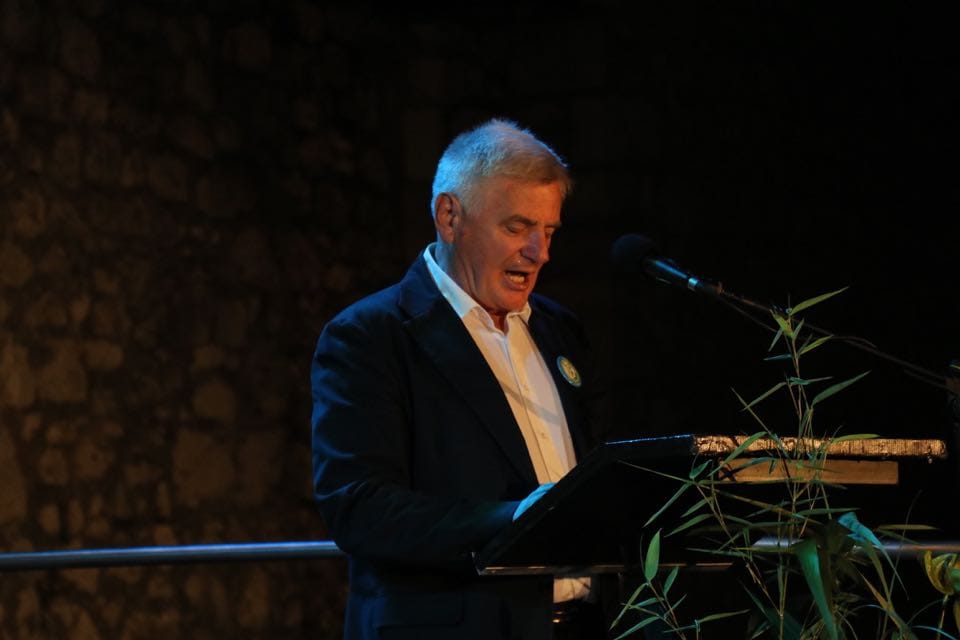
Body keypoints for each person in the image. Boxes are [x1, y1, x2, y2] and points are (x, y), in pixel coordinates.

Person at [311, 119, 609, 639]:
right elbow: (358, 507)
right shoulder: (371, 336)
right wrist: (514, 520)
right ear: (449, 218)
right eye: (517, 227)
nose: (539, 252)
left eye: (549, 231)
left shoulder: (560, 329)